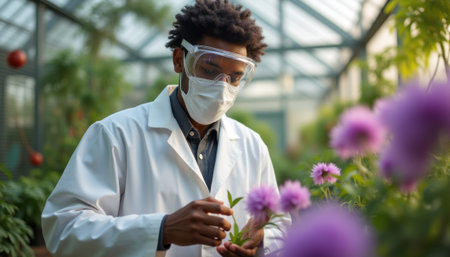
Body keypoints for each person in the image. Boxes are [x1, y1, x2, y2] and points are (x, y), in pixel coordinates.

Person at [42, 1, 287, 256]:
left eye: (235, 77)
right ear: (179, 60)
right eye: (209, 69)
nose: (221, 86)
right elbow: (63, 227)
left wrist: (261, 242)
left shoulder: (252, 145)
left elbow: (281, 224)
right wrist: (161, 230)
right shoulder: (116, 134)